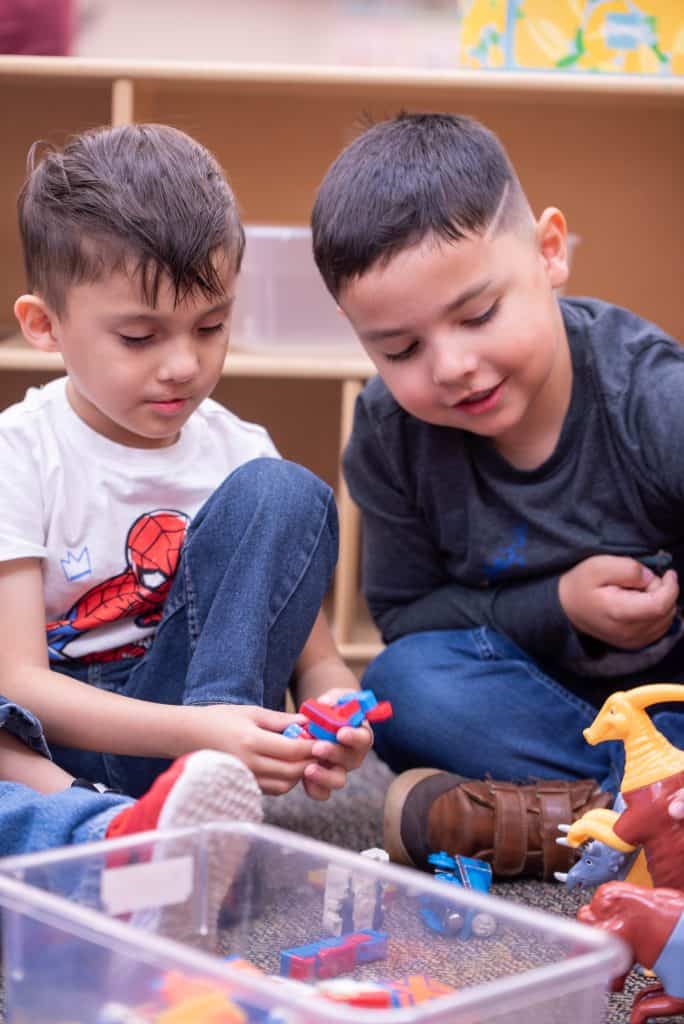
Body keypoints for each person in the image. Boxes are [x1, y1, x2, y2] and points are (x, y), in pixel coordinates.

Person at [310, 111, 684, 881]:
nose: (451, 366)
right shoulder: (388, 433)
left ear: (551, 252)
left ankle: (573, 821)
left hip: (673, 702)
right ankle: (644, 815)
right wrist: (561, 607)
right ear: (357, 335)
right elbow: (409, 619)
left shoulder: (652, 397)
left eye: (479, 315)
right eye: (401, 349)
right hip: (537, 709)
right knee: (402, 686)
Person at [0, 123, 372, 861]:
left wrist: (335, 710)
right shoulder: (21, 452)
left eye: (211, 326)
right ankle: (105, 831)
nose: (183, 365)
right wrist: (199, 734)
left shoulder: (239, 453)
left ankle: (163, 819)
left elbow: (316, 659)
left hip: (198, 723)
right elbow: (21, 682)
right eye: (140, 338)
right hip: (60, 743)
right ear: (45, 326)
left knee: (283, 491)